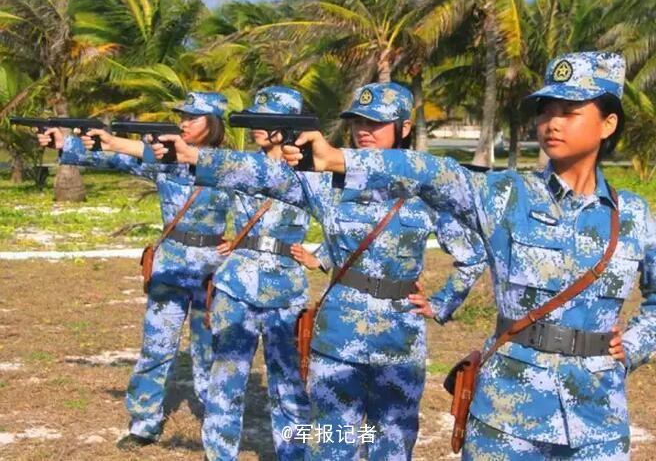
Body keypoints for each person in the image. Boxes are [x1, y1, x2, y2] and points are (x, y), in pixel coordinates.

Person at [283, 52, 656, 460]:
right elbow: (430, 172)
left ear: (608, 123)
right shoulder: (506, 195)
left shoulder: (631, 215)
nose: (552, 122)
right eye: (545, 110)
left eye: (570, 111)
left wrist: (635, 344)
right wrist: (336, 159)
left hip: (597, 422)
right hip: (507, 417)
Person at [153, 82, 488, 460]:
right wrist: (198, 158)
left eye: (376, 123)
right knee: (332, 443)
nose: (364, 130)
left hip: (399, 338)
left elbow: (472, 254)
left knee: (392, 443)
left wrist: (442, 303)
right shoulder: (326, 182)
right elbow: (264, 174)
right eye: (358, 121)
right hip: (337, 336)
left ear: (405, 128)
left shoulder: (424, 189)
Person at [37, 92, 232, 450]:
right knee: (157, 346)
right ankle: (145, 422)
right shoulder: (165, 161)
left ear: (214, 124)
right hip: (170, 265)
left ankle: (216, 422)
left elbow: (265, 198)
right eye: (182, 116)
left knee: (209, 350)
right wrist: (65, 145)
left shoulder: (228, 164)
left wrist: (241, 240)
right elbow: (114, 159)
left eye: (193, 117)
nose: (184, 122)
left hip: (213, 269)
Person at [199, 87, 313, 461]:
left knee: (288, 383)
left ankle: (294, 454)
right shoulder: (242, 165)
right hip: (236, 286)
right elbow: (191, 161)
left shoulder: (311, 173)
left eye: (264, 122)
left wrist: (323, 256)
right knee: (226, 378)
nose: (255, 129)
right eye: (254, 121)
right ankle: (218, 454)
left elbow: (349, 221)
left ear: (287, 127)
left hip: (286, 291)